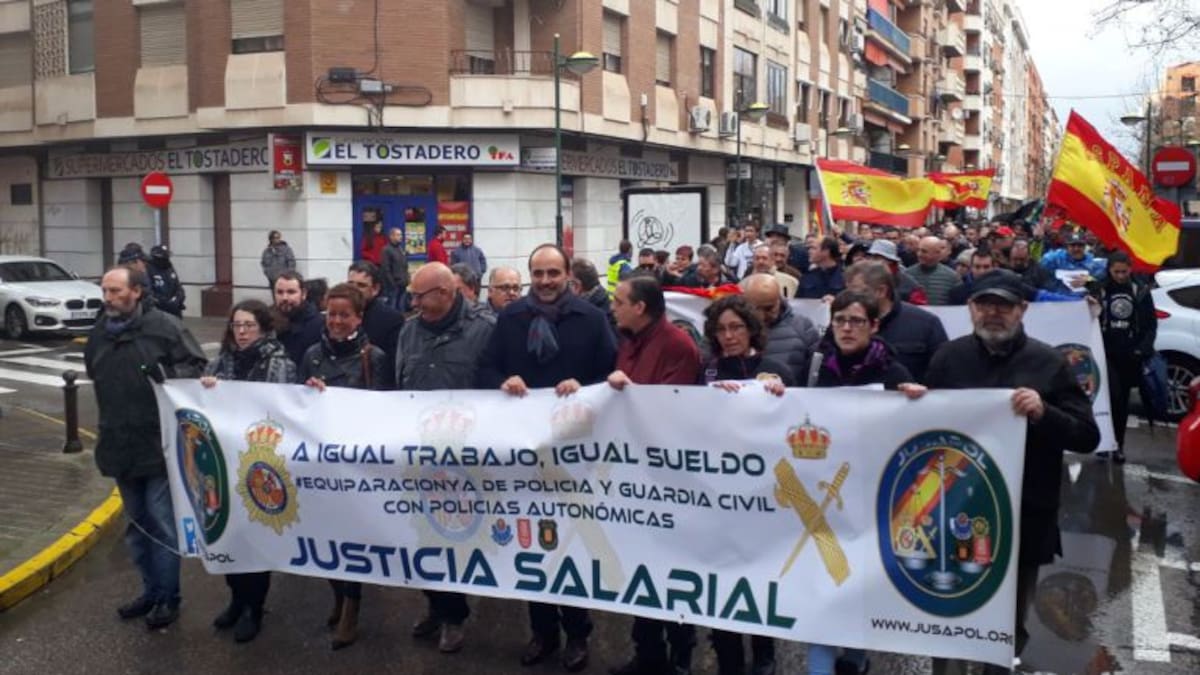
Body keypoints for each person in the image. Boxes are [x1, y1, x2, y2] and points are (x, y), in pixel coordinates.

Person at [914, 269, 1100, 675]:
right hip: (954, 516)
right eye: (985, 304)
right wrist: (912, 401)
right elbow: (923, 431)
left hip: (1022, 517)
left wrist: (1045, 412)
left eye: (1004, 305)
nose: (993, 313)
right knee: (946, 617)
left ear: (1022, 310)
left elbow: (1088, 436)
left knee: (1007, 625)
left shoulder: (1049, 363)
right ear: (971, 308)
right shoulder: (947, 358)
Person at [478, 244, 618, 672]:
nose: (544, 281)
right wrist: (504, 380)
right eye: (537, 273)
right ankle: (542, 631)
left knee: (570, 545)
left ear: (567, 274)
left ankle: (577, 633)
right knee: (534, 542)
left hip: (574, 453)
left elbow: (611, 373)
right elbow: (485, 368)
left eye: (552, 273)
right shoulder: (511, 318)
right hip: (524, 454)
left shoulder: (592, 319)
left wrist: (585, 386)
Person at [84, 265, 207, 630]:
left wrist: (167, 376)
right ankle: (150, 591)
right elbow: (94, 372)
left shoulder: (164, 327)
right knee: (136, 527)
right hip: (119, 445)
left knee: (162, 524)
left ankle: (169, 597)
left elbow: (197, 369)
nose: (108, 298)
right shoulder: (100, 332)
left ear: (136, 291)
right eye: (105, 291)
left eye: (115, 291)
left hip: (158, 447)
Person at [396, 263, 495, 654]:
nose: (413, 302)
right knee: (423, 534)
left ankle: (454, 615)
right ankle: (436, 604)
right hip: (420, 453)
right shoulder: (408, 331)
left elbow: (495, 389)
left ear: (446, 293)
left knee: (458, 538)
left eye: (420, 296)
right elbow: (398, 386)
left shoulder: (484, 330)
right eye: (412, 295)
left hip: (466, 458)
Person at [606, 276, 702, 675]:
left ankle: (681, 655)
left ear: (640, 307)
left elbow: (670, 410)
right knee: (641, 568)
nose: (613, 307)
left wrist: (630, 392)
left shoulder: (678, 345)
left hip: (669, 480)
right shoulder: (629, 341)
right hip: (635, 476)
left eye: (619, 301)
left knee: (672, 569)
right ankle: (648, 653)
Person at [700, 294, 789, 675]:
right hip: (718, 495)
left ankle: (764, 653)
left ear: (751, 329)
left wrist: (781, 396)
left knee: (759, 577)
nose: (729, 336)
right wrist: (709, 400)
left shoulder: (773, 369)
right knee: (721, 579)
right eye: (721, 329)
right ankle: (728, 657)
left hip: (762, 496)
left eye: (736, 327)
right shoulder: (707, 372)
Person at [298, 283, 389, 650]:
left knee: (351, 539)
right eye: (331, 314)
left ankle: (352, 606)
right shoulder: (312, 355)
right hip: (320, 464)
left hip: (356, 467)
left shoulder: (374, 357)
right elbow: (295, 406)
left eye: (344, 315)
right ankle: (337, 595)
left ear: (359, 317)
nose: (336, 321)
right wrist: (308, 392)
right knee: (326, 536)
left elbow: (384, 410)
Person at [200, 300, 297, 643]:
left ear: (264, 328)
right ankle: (236, 598)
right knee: (230, 534)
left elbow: (281, 411)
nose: (241, 332)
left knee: (255, 537)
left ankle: (254, 607)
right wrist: (205, 390)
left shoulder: (279, 363)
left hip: (259, 461)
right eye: (236, 325)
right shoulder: (220, 362)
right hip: (226, 461)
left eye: (249, 326)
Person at [1095, 252, 1158, 463]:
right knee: (1109, 399)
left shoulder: (1140, 291)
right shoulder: (1100, 289)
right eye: (1116, 272)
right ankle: (1104, 442)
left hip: (1130, 356)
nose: (1121, 276)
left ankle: (1117, 444)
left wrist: (1142, 349)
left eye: (1124, 272)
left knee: (1121, 404)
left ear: (1130, 269)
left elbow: (1150, 324)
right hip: (1105, 354)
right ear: (1109, 270)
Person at [844, 261, 947, 383]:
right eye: (848, 292)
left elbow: (944, 375)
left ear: (881, 291)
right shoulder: (843, 323)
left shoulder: (926, 324)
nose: (851, 299)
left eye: (857, 293)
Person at [742, 273, 820, 384]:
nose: (762, 316)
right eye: (754, 309)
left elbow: (817, 370)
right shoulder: (733, 329)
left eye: (769, 308)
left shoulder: (802, 327)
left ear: (779, 300)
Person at [346, 262, 405, 387]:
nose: (354, 290)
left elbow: (394, 365)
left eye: (361, 285)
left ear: (375, 289)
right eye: (350, 284)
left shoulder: (391, 320)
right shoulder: (338, 317)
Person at [1039, 231, 1106, 294]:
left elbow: (1101, 282)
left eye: (1080, 245)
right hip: (1057, 298)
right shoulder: (1053, 259)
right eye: (1073, 245)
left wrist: (1089, 280)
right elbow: (1040, 274)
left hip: (1083, 299)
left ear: (1085, 247)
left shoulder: (1093, 263)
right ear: (1067, 247)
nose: (1076, 249)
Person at [866, 240, 927, 306]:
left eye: (876, 258)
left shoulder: (910, 287)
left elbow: (918, 310)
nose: (871, 261)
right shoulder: (864, 278)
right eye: (871, 257)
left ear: (889, 260)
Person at [905, 236, 959, 305]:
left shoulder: (952, 277)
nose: (919, 254)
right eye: (918, 250)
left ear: (937, 253)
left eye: (924, 251)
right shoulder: (908, 274)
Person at [146, 245, 186, 317]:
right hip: (158, 311)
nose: (165, 260)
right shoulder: (148, 269)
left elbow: (178, 286)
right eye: (162, 258)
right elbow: (148, 291)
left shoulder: (169, 267)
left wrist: (178, 298)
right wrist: (164, 302)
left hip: (174, 310)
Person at [381, 227, 410, 311]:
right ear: (391, 236)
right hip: (394, 285)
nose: (401, 237)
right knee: (392, 307)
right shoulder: (386, 250)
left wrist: (407, 278)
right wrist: (392, 283)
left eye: (401, 235)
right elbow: (386, 269)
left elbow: (404, 265)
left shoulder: (400, 249)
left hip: (403, 283)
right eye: (398, 235)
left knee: (401, 308)